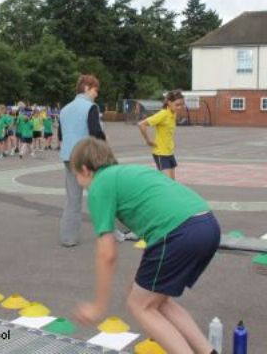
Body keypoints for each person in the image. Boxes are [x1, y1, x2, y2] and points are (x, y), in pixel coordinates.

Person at [71, 137, 220, 354]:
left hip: (178, 233)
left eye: (76, 175)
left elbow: (106, 254)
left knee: (140, 305)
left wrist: (98, 306)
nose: (78, 182)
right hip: (207, 224)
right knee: (154, 298)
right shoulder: (127, 173)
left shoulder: (99, 185)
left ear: (85, 169)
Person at [58, 74, 105, 247]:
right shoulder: (90, 107)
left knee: (72, 199)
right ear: (86, 88)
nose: (96, 94)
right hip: (85, 157)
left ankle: (68, 238)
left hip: (67, 156)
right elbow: (95, 133)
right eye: (95, 90)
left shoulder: (64, 109)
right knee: (103, 194)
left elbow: (61, 135)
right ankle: (112, 232)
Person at [138, 90, 184, 179]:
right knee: (167, 184)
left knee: (171, 183)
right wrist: (148, 140)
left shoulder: (173, 113)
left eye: (181, 105)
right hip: (161, 153)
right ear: (169, 103)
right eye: (177, 105)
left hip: (169, 152)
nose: (180, 107)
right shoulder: (163, 114)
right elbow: (141, 124)